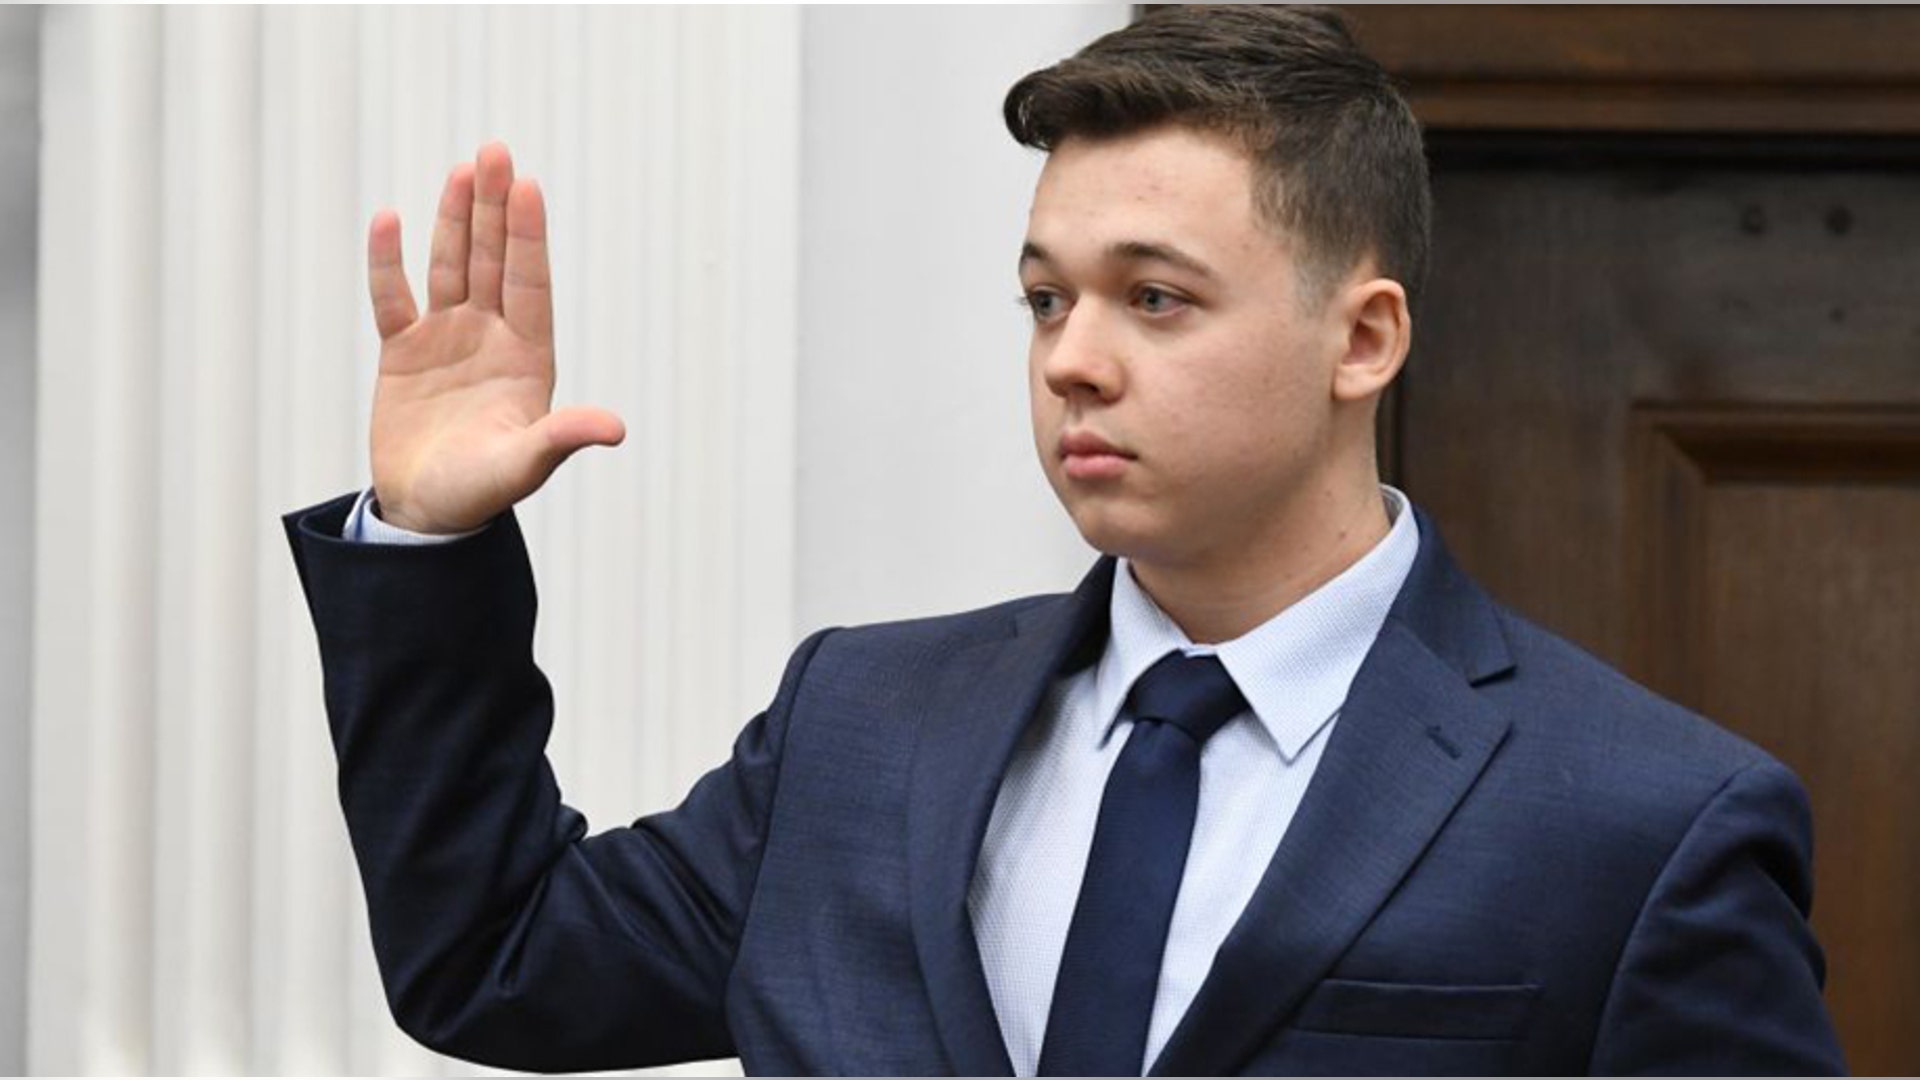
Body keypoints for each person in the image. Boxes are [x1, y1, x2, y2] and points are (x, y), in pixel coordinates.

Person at [283, 7, 1844, 1075]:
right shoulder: (861, 727)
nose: (1072, 358)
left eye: (1153, 297)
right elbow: (495, 958)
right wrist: (424, 543)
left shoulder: (1646, 821)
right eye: (1046, 297)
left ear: (1361, 339)